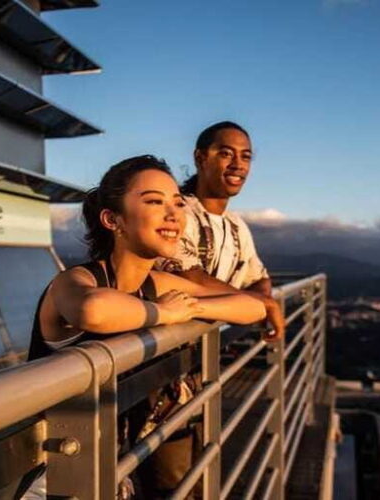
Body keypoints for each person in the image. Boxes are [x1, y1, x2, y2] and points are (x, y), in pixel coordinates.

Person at [25, 155, 266, 499]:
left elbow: (251, 306)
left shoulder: (156, 283)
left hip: (107, 465)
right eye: (154, 201)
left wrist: (187, 309)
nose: (173, 215)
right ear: (112, 219)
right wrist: (163, 314)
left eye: (178, 203)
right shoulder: (76, 279)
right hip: (51, 475)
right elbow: (93, 310)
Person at [159, 121, 285, 340]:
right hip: (157, 349)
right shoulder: (177, 213)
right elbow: (189, 278)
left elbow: (259, 278)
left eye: (246, 157)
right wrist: (259, 303)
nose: (238, 165)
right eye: (226, 154)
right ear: (201, 158)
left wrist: (258, 302)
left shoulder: (236, 225)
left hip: (203, 354)